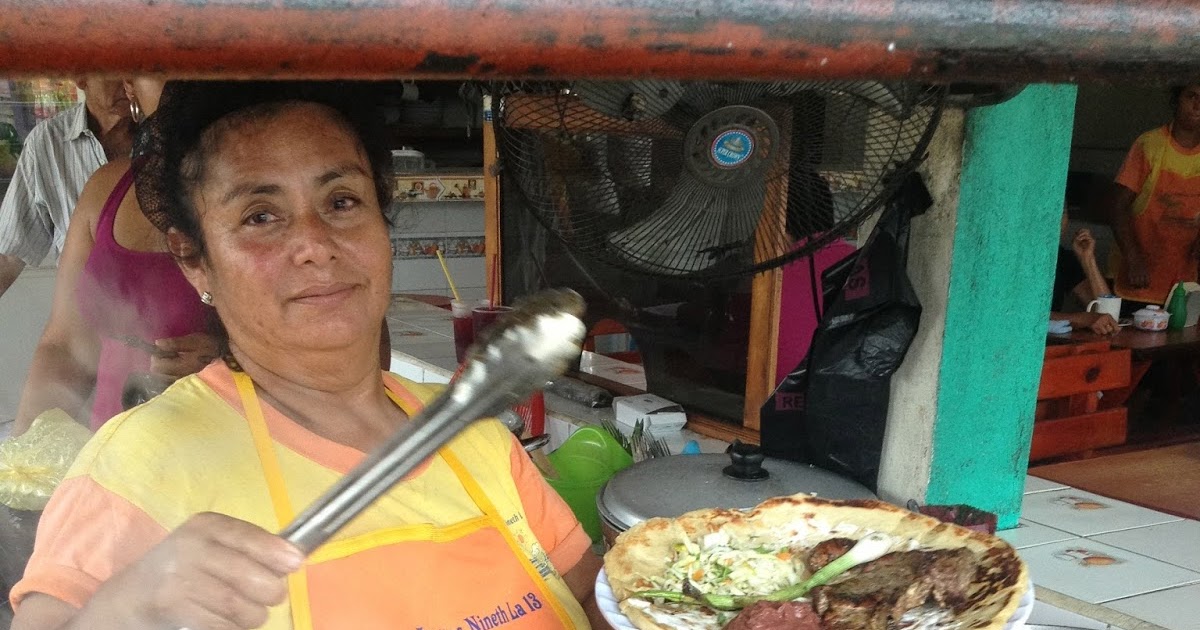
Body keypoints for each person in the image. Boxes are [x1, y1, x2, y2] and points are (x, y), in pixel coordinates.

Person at [10, 81, 603, 630]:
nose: (315, 245)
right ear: (194, 259)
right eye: (260, 216)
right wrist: (120, 609)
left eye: (342, 202)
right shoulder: (142, 461)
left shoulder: (482, 440)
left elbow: (605, 603)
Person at [10, 77, 215, 436]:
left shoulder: (276, 189)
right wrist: (27, 460)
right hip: (115, 457)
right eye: (158, 63)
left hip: (239, 453)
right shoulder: (104, 189)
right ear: (132, 86)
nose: (183, 77)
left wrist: (229, 359)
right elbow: (67, 347)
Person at [0, 77, 133, 299]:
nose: (129, 82)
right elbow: (8, 255)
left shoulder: (168, 138)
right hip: (83, 319)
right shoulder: (47, 144)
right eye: (117, 68)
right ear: (81, 76)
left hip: (166, 320)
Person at [1106, 83, 1200, 311]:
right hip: (1136, 279)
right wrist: (1134, 258)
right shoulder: (1150, 145)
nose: (1198, 106)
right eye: (1191, 96)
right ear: (1176, 100)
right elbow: (1117, 207)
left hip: (1184, 284)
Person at [1051, 209, 1118, 335]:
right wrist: (1081, 319)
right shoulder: (1015, 258)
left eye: (1063, 213)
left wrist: (1087, 260)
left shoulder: (1063, 258)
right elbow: (1022, 313)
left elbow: (1107, 313)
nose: (1057, 220)